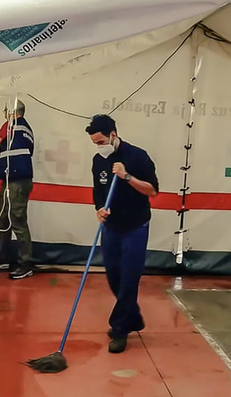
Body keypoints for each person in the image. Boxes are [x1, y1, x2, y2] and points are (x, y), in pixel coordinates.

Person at [86, 114, 159, 353]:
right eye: (95, 143)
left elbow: (152, 190)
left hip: (135, 226)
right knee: (114, 277)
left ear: (113, 135)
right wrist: (99, 209)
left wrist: (126, 176)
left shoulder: (137, 156)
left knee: (129, 279)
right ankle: (133, 317)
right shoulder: (98, 160)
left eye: (101, 142)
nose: (99, 147)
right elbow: (98, 191)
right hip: (112, 227)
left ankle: (119, 329)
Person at [0, 100, 37, 280]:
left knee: (17, 220)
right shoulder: (26, 129)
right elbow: (12, 150)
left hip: (16, 182)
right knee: (3, 218)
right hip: (13, 179)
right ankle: (1, 257)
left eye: (6, 110)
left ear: (12, 111)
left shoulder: (11, 124)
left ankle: (25, 264)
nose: (4, 114)